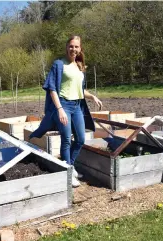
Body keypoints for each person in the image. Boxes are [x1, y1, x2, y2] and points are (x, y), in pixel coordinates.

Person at [30, 35, 103, 187]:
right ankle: (68, 174)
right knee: (66, 140)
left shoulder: (79, 66)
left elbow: (81, 90)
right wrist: (60, 110)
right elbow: (52, 88)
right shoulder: (59, 64)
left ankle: (69, 166)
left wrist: (93, 97)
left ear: (80, 49)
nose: (73, 49)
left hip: (77, 107)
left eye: (76, 47)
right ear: (66, 47)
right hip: (63, 105)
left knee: (81, 139)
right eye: (71, 46)